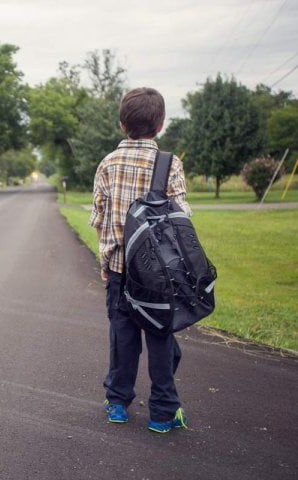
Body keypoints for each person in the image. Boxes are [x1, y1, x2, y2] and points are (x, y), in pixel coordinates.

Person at [89, 87, 192, 434]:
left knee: (123, 337)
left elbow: (100, 218)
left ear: (122, 124)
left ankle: (117, 402)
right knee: (161, 339)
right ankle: (163, 413)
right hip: (159, 276)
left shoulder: (107, 163)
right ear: (160, 124)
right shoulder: (169, 163)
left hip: (120, 272)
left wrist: (106, 262)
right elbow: (182, 219)